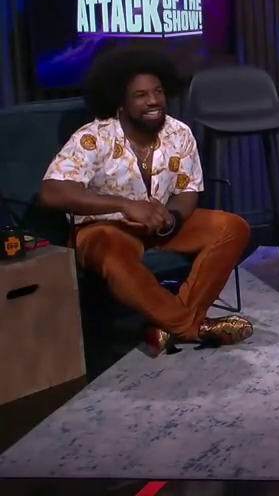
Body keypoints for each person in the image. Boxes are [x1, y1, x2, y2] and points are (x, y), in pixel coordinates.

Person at [39, 48, 252, 357]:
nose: (153, 101)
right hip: (105, 230)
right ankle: (191, 326)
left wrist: (174, 218)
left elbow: (188, 190)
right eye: (141, 95)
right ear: (121, 103)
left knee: (232, 227)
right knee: (112, 254)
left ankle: (165, 324)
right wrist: (124, 205)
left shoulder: (179, 133)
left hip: (162, 226)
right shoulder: (94, 137)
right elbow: (52, 191)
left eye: (158, 92)